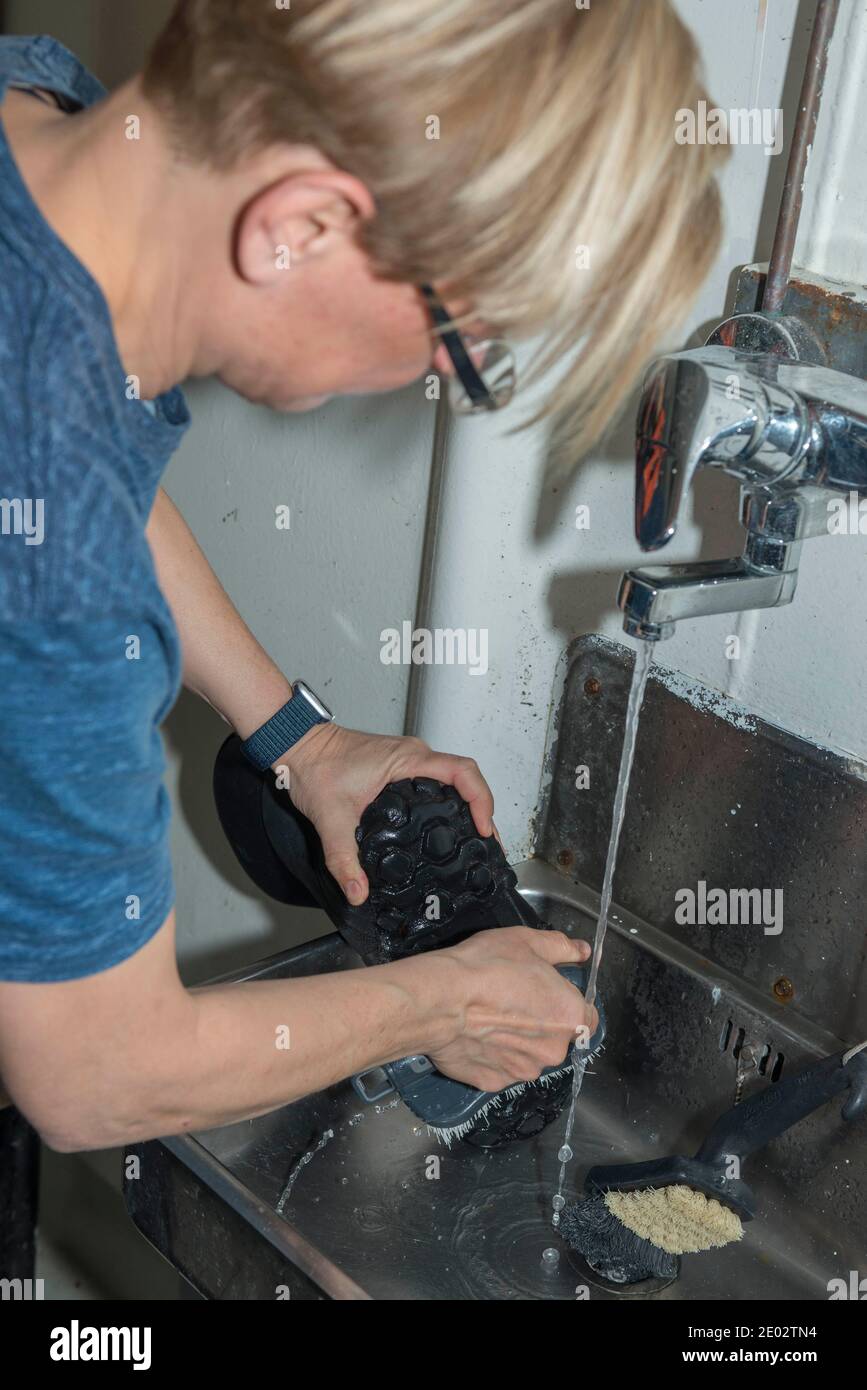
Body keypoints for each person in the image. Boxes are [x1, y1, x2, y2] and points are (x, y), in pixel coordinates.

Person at [0, 0, 725, 1156]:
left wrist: (300, 738)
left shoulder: (35, 112)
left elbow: (84, 457)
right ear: (299, 223)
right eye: (463, 341)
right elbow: (99, 1073)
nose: (433, 374)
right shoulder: (50, 517)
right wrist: (450, 1001)